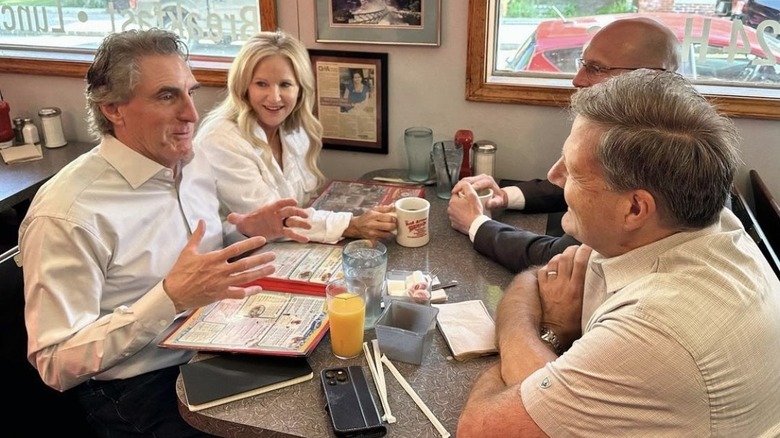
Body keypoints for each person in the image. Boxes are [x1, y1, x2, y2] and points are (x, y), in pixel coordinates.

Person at [19, 29, 313, 438]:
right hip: (138, 386)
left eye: (190, 93)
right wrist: (169, 298)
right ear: (113, 109)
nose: (192, 114)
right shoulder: (68, 213)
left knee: (323, 395)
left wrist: (249, 232)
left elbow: (198, 268)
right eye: (167, 96)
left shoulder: (191, 164)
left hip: (214, 343)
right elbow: (54, 362)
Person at [457, 70, 780, 437]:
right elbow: (536, 275)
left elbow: (479, 428)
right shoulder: (699, 222)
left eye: (573, 171)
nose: (554, 175)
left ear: (635, 209)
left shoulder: (656, 330)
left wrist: (546, 333)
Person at [448, 17, 680, 273]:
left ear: (649, 76)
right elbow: (586, 183)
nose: (577, 80)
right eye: (582, 64)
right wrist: (506, 196)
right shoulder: (647, 121)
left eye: (596, 68)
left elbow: (561, 259)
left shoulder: (658, 147)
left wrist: (475, 223)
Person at [194, 31, 395, 244]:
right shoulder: (221, 141)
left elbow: (298, 209)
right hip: (232, 258)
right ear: (243, 86)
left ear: (300, 89)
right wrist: (351, 224)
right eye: (261, 84)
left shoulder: (294, 128)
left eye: (285, 84)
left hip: (279, 248)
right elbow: (273, 220)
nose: (274, 97)